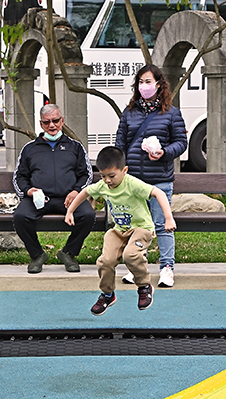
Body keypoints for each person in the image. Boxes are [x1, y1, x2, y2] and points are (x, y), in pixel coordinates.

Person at [65, 146, 175, 315]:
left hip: (141, 229)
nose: (107, 180)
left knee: (130, 255)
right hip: (119, 230)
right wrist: (70, 211)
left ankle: (144, 287)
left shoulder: (132, 184)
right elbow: (86, 191)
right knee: (105, 261)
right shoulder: (103, 185)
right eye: (103, 176)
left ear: (124, 170)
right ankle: (108, 295)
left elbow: (158, 193)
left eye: (112, 176)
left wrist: (168, 218)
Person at [115, 64, 187, 288]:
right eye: (141, 82)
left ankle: (167, 268)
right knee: (138, 225)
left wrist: (164, 153)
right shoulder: (129, 112)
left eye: (148, 82)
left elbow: (181, 142)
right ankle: (137, 266)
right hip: (134, 180)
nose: (144, 86)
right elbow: (121, 143)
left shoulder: (171, 113)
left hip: (160, 178)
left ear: (159, 84)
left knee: (162, 224)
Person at [12, 103, 97, 274]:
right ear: (41, 124)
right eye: (46, 122)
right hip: (39, 199)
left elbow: (87, 175)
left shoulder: (75, 147)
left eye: (56, 120)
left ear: (62, 121)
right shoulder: (30, 149)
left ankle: (68, 253)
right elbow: (19, 177)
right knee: (20, 216)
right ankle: (37, 255)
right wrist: (29, 191)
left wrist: (76, 191)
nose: (52, 125)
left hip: (70, 199)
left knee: (88, 215)